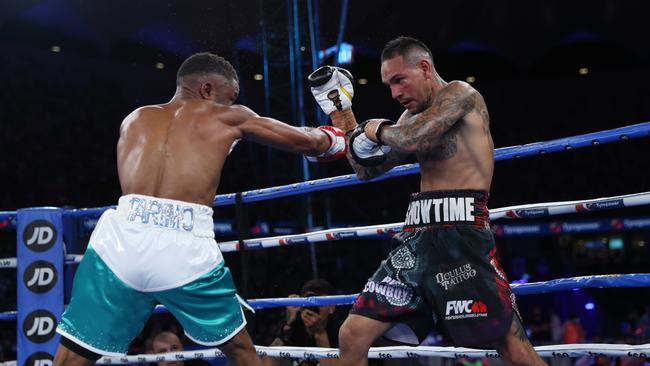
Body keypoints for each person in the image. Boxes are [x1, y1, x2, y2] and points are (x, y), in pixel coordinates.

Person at [52, 52, 347, 366]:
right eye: (228, 98)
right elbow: (309, 142)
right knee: (241, 352)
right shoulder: (227, 116)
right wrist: (338, 130)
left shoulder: (135, 118)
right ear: (207, 89)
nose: (229, 106)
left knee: (72, 356)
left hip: (119, 242)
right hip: (183, 244)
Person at [308, 36, 546, 365]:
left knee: (509, 344)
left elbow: (417, 137)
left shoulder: (461, 94)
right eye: (388, 85)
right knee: (352, 334)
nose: (394, 93)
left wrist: (376, 129)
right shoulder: (407, 119)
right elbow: (366, 171)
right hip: (416, 241)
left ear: (424, 67)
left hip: (462, 236)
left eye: (398, 80)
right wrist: (342, 114)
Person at [263, 279, 340, 366]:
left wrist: (319, 333)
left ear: (332, 307)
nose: (312, 307)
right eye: (308, 302)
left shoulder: (339, 332)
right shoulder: (292, 328)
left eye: (319, 302)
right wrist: (288, 326)